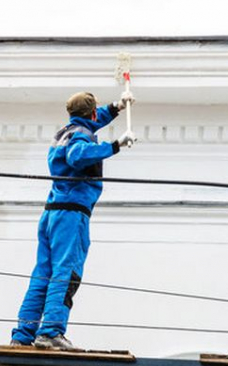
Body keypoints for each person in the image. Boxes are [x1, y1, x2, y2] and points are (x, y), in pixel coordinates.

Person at [10, 91, 135, 350]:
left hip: (51, 214)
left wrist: (116, 107)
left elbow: (90, 122)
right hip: (72, 215)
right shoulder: (82, 136)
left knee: (42, 274)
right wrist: (114, 146)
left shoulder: (65, 132)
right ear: (90, 114)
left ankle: (23, 334)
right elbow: (78, 155)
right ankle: (52, 331)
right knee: (66, 273)